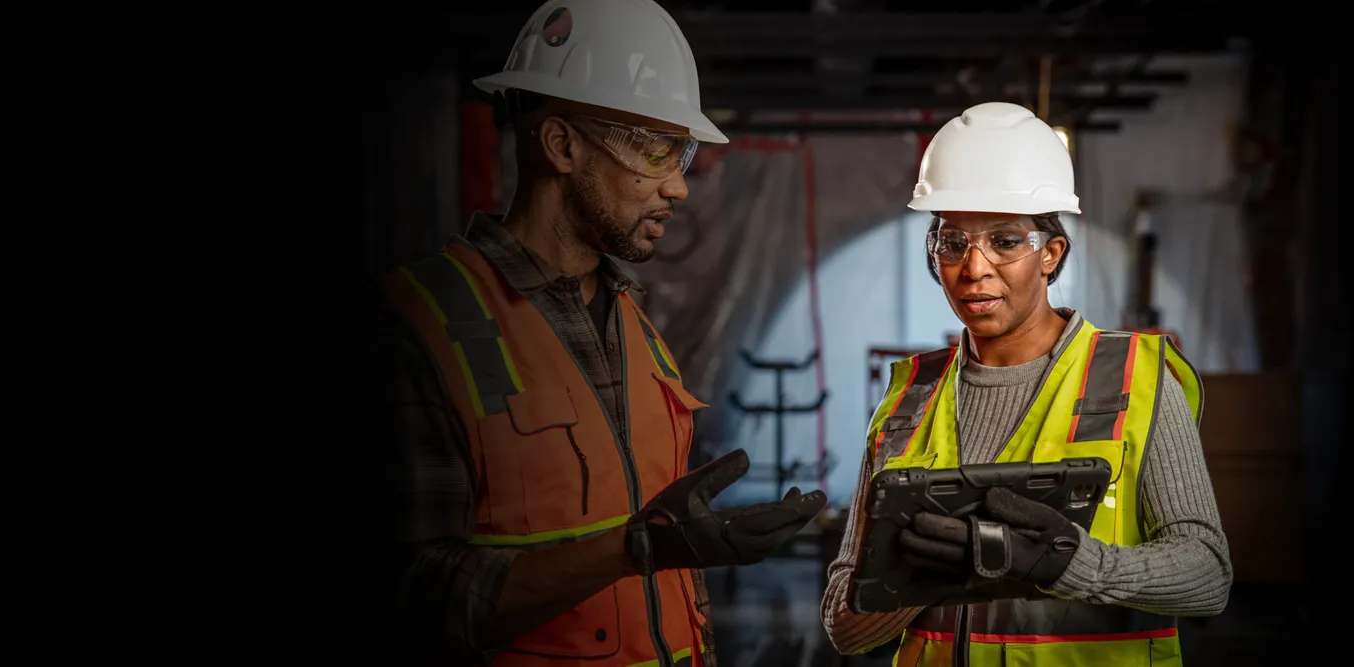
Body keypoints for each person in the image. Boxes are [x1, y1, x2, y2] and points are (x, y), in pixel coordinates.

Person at [368, 1, 827, 666]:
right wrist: (638, 547)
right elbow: (414, 598)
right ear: (561, 145)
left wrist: (687, 546)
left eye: (684, 152)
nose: (680, 186)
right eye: (655, 149)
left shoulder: (634, 325)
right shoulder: (422, 326)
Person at [820, 101, 1233, 665]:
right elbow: (843, 627)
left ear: (1051, 254)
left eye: (1006, 241)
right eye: (951, 241)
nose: (974, 268)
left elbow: (1207, 575)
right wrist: (922, 576)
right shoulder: (908, 400)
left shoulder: (1136, 379)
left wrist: (1067, 565)